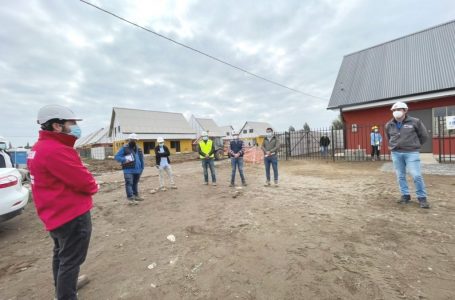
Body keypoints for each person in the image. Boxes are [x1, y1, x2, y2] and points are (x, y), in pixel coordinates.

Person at [27, 104, 98, 300]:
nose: (75, 127)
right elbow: (85, 182)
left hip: (54, 214)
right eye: (72, 123)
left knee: (61, 253)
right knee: (71, 259)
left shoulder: (39, 148)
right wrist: (94, 185)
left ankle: (64, 287)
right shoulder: (56, 150)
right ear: (57, 126)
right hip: (71, 215)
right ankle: (66, 294)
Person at [385, 101, 430, 208]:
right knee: (400, 176)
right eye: (394, 110)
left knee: (416, 175)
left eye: (399, 109)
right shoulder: (389, 125)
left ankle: (422, 198)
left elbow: (424, 136)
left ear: (405, 110)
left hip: (411, 153)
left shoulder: (415, 122)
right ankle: (405, 196)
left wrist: (414, 145)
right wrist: (393, 146)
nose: (396, 112)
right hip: (396, 153)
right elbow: (389, 138)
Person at [114, 133, 145, 205]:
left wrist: (142, 167)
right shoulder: (124, 148)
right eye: (132, 139)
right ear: (129, 140)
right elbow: (117, 157)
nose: (133, 141)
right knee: (129, 183)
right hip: (128, 170)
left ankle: (136, 195)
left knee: (135, 183)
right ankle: (131, 199)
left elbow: (141, 159)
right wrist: (125, 159)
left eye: (135, 140)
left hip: (138, 169)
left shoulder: (139, 148)